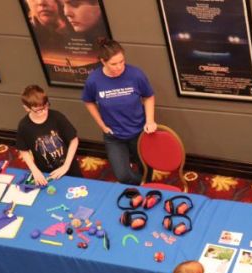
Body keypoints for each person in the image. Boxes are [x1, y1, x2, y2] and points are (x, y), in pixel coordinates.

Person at [82, 38, 157, 185]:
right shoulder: (94, 80)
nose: (119, 67)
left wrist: (150, 120)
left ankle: (146, 187)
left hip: (139, 132)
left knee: (147, 169)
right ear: (103, 61)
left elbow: (148, 96)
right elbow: (88, 101)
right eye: (114, 64)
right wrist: (101, 125)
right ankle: (142, 186)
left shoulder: (136, 75)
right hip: (114, 136)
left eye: (122, 61)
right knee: (123, 176)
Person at [17, 84, 82, 185]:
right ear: (26, 108)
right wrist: (35, 171)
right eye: (38, 110)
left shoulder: (57, 117)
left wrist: (66, 166)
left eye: (45, 106)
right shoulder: (24, 126)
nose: (43, 112)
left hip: (69, 166)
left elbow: (74, 140)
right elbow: (23, 150)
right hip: (45, 171)